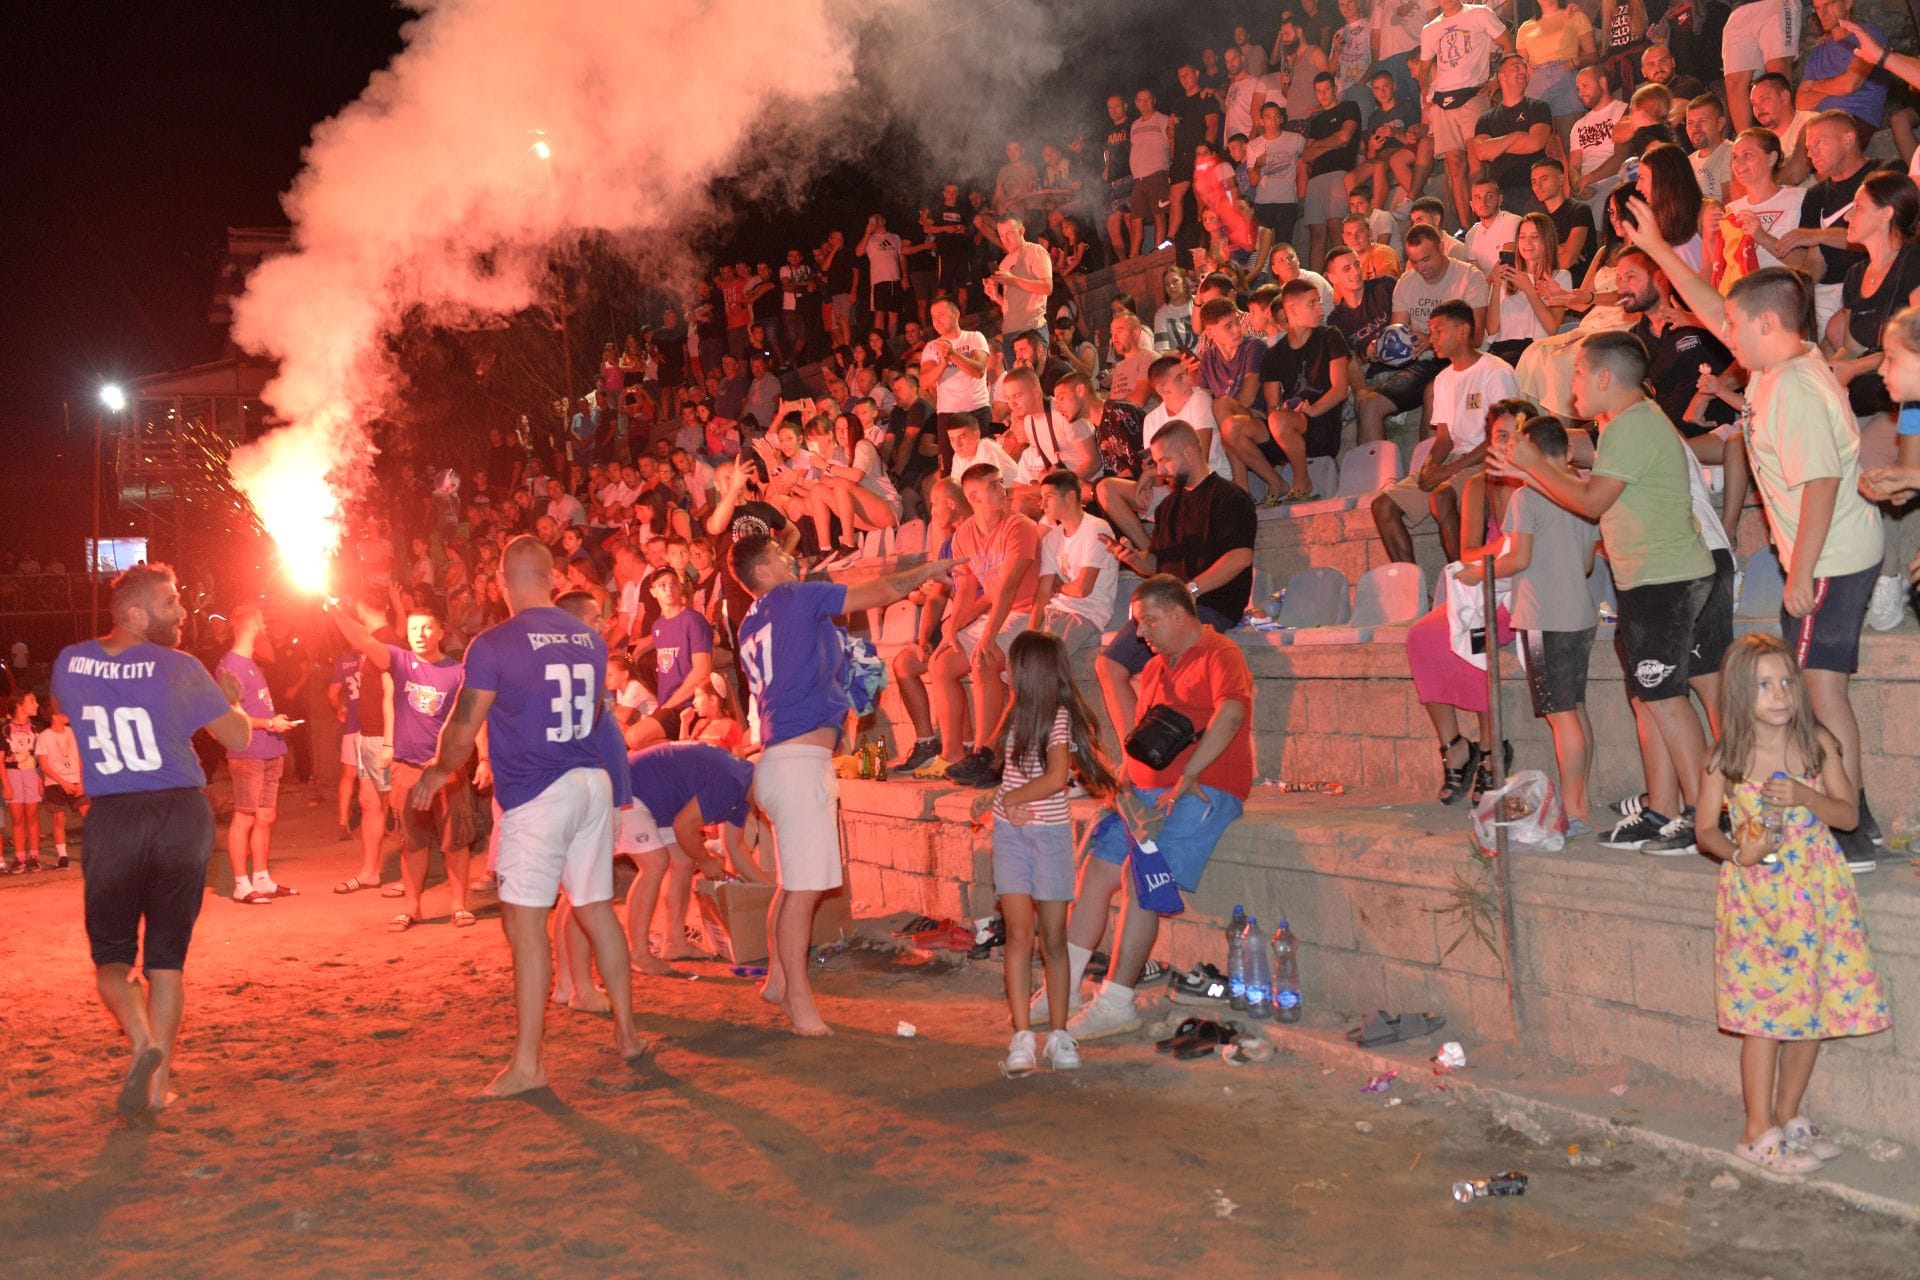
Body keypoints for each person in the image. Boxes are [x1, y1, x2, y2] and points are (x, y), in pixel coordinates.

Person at [1628, 217, 1892, 868]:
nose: (1727, 335)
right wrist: (1659, 247)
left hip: (1828, 560)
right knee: (1818, 688)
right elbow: (1718, 308)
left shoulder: (1793, 387)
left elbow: (1821, 482)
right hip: (1828, 554)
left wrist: (1799, 574)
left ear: (1767, 324)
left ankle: (1850, 828)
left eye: (1737, 327)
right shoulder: (1780, 360)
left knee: (1820, 693)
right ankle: (1852, 820)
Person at [407, 536, 646, 1098]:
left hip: (539, 793)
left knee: (524, 923)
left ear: (501, 581)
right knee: (595, 908)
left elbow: (464, 723)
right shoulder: (589, 638)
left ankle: (529, 1063)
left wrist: (438, 771)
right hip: (590, 781)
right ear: (551, 577)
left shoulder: (494, 644)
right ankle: (628, 1033)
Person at [1489, 329, 1715, 856]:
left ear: (1605, 377)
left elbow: (1591, 503)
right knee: (1650, 699)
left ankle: (1700, 817)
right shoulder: (1621, 425)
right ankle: (1662, 809)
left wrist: (1533, 466)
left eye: (1578, 374)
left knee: (1666, 698)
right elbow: (1585, 498)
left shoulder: (1634, 425)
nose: (1572, 387)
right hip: (1645, 579)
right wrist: (1532, 472)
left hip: (1666, 578)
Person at [733, 534, 956, 1034]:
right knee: (803, 891)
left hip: (777, 760)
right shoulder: (794, 596)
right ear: (761, 571)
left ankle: (777, 981)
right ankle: (799, 1003)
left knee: (792, 886)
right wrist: (925, 571)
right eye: (779, 556)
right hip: (799, 763)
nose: (790, 559)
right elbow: (879, 591)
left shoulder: (751, 621)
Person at [52, 564, 251, 1116]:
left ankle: (142, 1042)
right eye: (170, 603)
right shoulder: (182, 667)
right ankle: (158, 1088)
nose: (182, 612)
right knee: (167, 962)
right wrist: (229, 699)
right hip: (180, 816)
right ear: (136, 614)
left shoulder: (69, 662)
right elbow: (237, 736)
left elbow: (87, 708)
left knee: (112, 959)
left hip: (115, 817)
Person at [1692, 634, 1889, 1174]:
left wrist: (1806, 796)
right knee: (1765, 1018)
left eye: (1786, 682)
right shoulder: (1725, 758)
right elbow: (1705, 830)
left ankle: (1786, 1115)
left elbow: (1847, 815)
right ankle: (1756, 1131)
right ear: (1740, 693)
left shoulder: (1816, 743)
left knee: (1812, 1008)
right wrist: (1740, 854)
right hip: (1757, 900)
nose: (1779, 694)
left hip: (1818, 892)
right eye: (1763, 685)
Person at [1063, 575, 1254, 1042]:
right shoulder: (1153, 669)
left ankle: (1115, 1002)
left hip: (1203, 789)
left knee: (1139, 875)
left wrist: (1190, 775)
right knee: (1094, 867)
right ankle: (1063, 987)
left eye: (1149, 621)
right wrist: (1122, 786)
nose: (1141, 632)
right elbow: (1142, 739)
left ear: (1177, 612)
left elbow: (1231, 713)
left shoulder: (1220, 653)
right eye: (1138, 623)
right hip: (1147, 791)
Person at [1458, 416, 1599, 832]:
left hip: (1543, 617)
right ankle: (1580, 800)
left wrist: (1478, 572)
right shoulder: (1582, 488)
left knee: (1561, 715)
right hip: (1580, 613)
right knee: (1575, 710)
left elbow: (1518, 558)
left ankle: (1574, 811)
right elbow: (1587, 564)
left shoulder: (1527, 496)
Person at [991, 631, 1117, 1075]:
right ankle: (1023, 1035)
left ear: (1030, 672)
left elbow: (1055, 777)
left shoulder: (1058, 717)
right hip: (1010, 836)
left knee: (1054, 940)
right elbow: (1010, 779)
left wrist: (1011, 799)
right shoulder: (1014, 714)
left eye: (1012, 665)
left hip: (1048, 839)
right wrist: (1002, 803)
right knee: (1018, 936)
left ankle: (1059, 1034)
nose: (1005, 672)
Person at [1093, 421, 1255, 739]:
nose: (1160, 471)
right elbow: (1156, 564)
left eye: (1165, 460)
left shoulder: (1230, 497)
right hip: (1169, 607)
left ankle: (1170, 748)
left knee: (1164, 673)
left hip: (1210, 605)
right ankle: (1134, 752)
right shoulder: (1168, 506)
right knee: (1108, 665)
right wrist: (1132, 558)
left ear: (1190, 451)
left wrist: (1189, 589)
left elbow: (1240, 557)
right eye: (1157, 462)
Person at [327, 599, 473, 931]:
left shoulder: (457, 671)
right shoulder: (400, 661)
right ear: (406, 633)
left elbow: (470, 718)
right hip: (406, 769)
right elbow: (363, 640)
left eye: (427, 628)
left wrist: (483, 759)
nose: (420, 634)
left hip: (447, 770)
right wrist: (334, 609)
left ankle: (459, 906)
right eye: (413, 628)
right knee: (412, 842)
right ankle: (412, 908)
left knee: (455, 841)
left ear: (440, 632)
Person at [1371, 301, 1516, 565]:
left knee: (1441, 496)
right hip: (1456, 460)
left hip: (1490, 461)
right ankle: (1411, 582)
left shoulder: (1496, 372)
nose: (1432, 339)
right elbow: (1444, 439)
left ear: (1462, 331)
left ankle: (1463, 577)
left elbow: (1501, 438)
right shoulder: (1443, 379)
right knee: (1383, 506)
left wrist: (1448, 471)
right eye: (1431, 332)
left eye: (1439, 331)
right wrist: (1430, 466)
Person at [932, 466, 1042, 787]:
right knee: (941, 664)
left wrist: (988, 636)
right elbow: (966, 589)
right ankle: (953, 752)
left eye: (1000, 483)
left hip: (1027, 611)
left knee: (983, 660)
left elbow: (1008, 589)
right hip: (998, 613)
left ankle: (985, 756)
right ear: (974, 497)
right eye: (993, 486)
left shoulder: (1020, 526)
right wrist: (951, 630)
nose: (1002, 490)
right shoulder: (963, 535)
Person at [618, 741, 756, 976]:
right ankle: (637, 953)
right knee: (655, 864)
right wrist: (706, 861)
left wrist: (768, 888)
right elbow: (684, 827)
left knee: (683, 861)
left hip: (659, 799)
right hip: (631, 789)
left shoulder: (744, 790)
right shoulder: (733, 781)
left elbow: (735, 847)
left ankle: (675, 942)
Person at [215, 606, 295, 904]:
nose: (266, 627)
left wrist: (274, 723)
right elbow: (231, 716)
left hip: (270, 748)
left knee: (266, 815)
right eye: (262, 621)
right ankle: (241, 884)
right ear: (251, 625)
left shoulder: (251, 662)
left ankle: (262, 879)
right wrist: (269, 723)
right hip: (247, 751)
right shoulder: (229, 666)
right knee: (245, 816)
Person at [1414, 0, 1514, 229]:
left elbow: (1508, 43)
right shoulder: (1430, 29)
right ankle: (1467, 228)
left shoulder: (1479, 13)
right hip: (1442, 100)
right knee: (1455, 165)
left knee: (1476, 159)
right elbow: (1423, 68)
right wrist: (1426, 94)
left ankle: (1484, 221)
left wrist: (1496, 80)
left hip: (1472, 93)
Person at [1259, 278, 1353, 497]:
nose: (1320, 308)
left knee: (1278, 420)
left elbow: (1340, 390)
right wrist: (1280, 413)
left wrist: (1311, 410)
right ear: (1292, 310)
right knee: (1234, 428)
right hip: (1286, 425)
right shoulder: (1273, 354)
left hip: (1322, 426)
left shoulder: (1330, 336)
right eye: (1312, 303)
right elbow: (1272, 405)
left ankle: (1302, 482)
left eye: (1319, 301)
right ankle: (1272, 484)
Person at [1472, 54, 1554, 215]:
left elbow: (1536, 143)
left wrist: (1496, 147)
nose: (1523, 71)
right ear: (1501, 75)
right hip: (1501, 193)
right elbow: (1482, 152)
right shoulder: (1485, 119)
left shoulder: (1539, 107)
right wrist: (1517, 135)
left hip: (1534, 191)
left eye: (1525, 67)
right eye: (1516, 67)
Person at [1485, 210, 1570, 364]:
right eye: (1522, 237)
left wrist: (1529, 289)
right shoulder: (1506, 275)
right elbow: (1491, 328)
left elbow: (1552, 328)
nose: (1527, 243)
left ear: (1547, 240)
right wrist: (1496, 286)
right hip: (1502, 351)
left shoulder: (1559, 277)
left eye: (1534, 237)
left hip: (1536, 351)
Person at [984, 214, 1053, 359]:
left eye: (1009, 234)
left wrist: (1013, 280)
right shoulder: (1004, 263)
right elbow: (1010, 307)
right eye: (1001, 235)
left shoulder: (1035, 251)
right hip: (1010, 331)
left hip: (1031, 328)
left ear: (1021, 231)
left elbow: (1047, 287)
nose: (1005, 240)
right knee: (1015, 374)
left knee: (1032, 372)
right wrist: (996, 296)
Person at [35, 699, 84, 869]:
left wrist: (81, 780)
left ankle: (99, 850)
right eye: (63, 711)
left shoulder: (73, 732)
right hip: (55, 783)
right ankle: (63, 856)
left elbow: (80, 757)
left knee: (89, 814)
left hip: (75, 779)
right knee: (59, 819)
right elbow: (44, 765)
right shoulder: (44, 737)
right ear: (55, 716)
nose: (68, 713)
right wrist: (62, 782)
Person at [4, 691, 42, 871]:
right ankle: (20, 858)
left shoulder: (36, 728)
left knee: (32, 816)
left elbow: (41, 757)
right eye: (32, 701)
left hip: (32, 774)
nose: (37, 704)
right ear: (19, 705)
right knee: (17, 818)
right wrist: (6, 785)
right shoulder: (5, 729)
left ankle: (34, 857)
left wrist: (41, 779)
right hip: (12, 775)